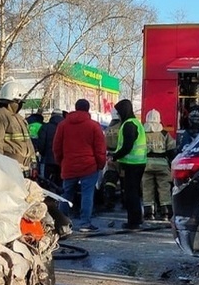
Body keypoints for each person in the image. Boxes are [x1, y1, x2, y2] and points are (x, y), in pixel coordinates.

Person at [53, 99, 107, 233]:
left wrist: (61, 162)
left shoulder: (63, 125)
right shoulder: (94, 126)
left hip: (69, 165)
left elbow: (56, 147)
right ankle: (85, 223)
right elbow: (100, 148)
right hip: (89, 166)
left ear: (75, 108)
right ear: (88, 109)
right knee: (87, 194)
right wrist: (100, 164)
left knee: (66, 195)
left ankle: (61, 223)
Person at [111, 98, 147, 230]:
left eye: (119, 111)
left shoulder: (128, 125)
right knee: (135, 193)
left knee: (131, 194)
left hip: (132, 164)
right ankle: (136, 219)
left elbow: (127, 146)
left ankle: (133, 221)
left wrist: (114, 156)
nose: (118, 114)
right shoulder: (136, 123)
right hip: (139, 163)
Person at [140, 109, 176, 221]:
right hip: (162, 165)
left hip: (146, 165)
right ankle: (165, 212)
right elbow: (172, 151)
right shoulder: (164, 134)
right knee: (164, 188)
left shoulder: (142, 133)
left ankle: (149, 213)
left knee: (147, 189)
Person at [0, 98, 35, 171]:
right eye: (18, 102)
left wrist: (33, 162)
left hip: (25, 167)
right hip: (9, 166)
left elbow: (28, 142)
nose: (19, 105)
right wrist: (0, 166)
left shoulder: (19, 118)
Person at [37, 109, 64, 190]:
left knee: (46, 182)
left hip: (48, 160)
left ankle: (49, 199)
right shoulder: (65, 127)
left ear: (52, 116)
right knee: (60, 183)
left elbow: (41, 143)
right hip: (62, 161)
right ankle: (59, 200)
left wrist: (43, 154)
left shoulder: (45, 127)